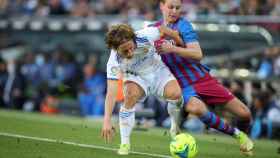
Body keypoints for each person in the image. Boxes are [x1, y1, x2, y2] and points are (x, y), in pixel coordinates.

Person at [153, 0, 254, 156]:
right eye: (170, 7)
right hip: (182, 86)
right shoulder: (153, 30)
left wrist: (173, 48)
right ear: (161, 6)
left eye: (177, 8)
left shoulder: (184, 26)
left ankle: (244, 139)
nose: (174, 11)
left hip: (202, 79)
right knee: (195, 108)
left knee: (245, 114)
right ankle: (237, 134)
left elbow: (197, 54)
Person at [101, 24, 184, 155]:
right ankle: (125, 143)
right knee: (130, 95)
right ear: (116, 49)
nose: (130, 53)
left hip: (157, 71)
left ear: (133, 39)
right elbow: (111, 93)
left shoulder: (145, 35)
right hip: (136, 76)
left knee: (176, 94)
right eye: (125, 51)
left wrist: (178, 40)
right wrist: (107, 120)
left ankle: (174, 126)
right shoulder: (113, 60)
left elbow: (162, 29)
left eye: (130, 48)